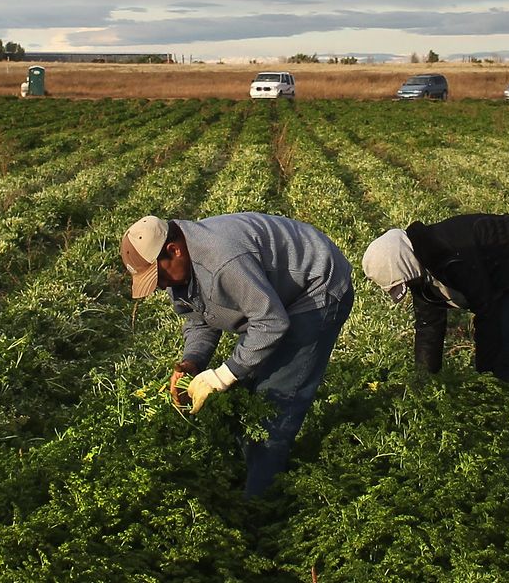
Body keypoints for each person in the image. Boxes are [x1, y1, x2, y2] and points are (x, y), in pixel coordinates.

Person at [120, 211, 354, 497]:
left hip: (316, 285)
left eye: (159, 277)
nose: (161, 286)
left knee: (273, 401)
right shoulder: (181, 269)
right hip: (274, 299)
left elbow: (270, 323)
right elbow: (200, 319)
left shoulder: (222, 260)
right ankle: (246, 473)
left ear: (174, 250)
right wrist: (192, 362)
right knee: (245, 389)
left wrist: (221, 375)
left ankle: (258, 504)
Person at [360, 212, 509, 383]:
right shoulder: (418, 265)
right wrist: (425, 379)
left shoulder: (452, 258)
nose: (408, 287)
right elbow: (429, 326)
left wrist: (484, 378)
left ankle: (501, 406)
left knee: (503, 345)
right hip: (498, 266)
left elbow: (488, 313)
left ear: (404, 265)